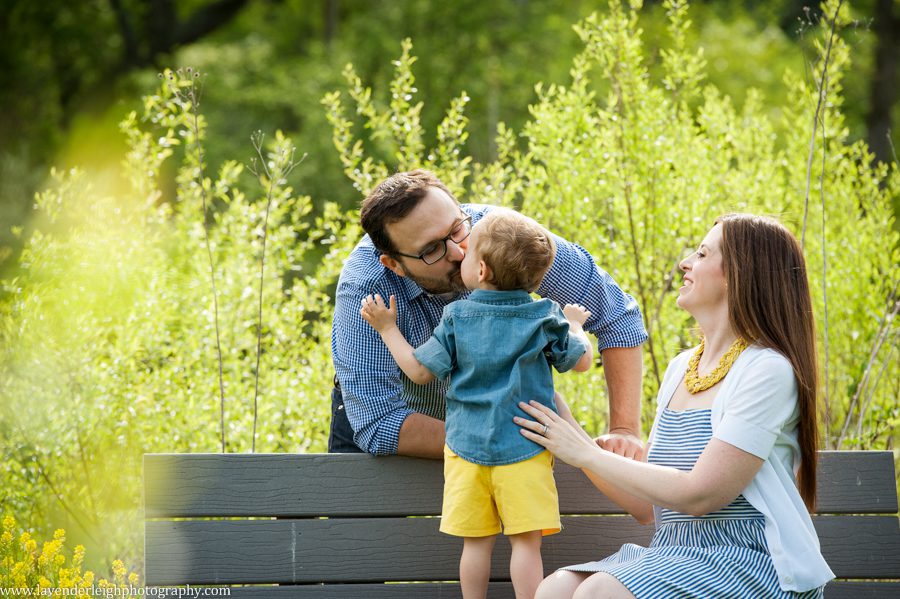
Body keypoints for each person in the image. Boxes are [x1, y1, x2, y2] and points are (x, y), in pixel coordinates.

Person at [516, 214, 835, 598]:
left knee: (599, 592)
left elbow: (701, 494)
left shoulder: (767, 370)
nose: (685, 263)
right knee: (554, 589)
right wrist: (561, 417)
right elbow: (645, 507)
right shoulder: (681, 367)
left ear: (739, 274)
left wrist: (585, 453)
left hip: (752, 562)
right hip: (675, 552)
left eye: (701, 254)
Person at [329, 169, 647, 459]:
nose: (458, 252)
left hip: (503, 431)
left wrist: (624, 432)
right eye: (431, 250)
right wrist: (499, 439)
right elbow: (380, 423)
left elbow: (616, 315)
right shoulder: (366, 288)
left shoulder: (506, 239)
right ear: (394, 264)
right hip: (405, 435)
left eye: (457, 229)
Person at [360, 209, 594, 599]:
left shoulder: (457, 317)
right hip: (525, 449)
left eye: (467, 255)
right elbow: (581, 361)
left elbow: (418, 371)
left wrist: (387, 328)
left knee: (475, 545)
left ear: (481, 270)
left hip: (466, 451)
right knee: (526, 544)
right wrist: (575, 325)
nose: (460, 256)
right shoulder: (544, 316)